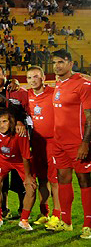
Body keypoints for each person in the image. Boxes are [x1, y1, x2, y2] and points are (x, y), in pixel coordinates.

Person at [46, 49, 91, 238]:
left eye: (61, 62)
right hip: (59, 143)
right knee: (63, 179)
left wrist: (85, 143)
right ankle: (66, 222)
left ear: (71, 63)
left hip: (78, 143)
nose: (57, 66)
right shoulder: (58, 83)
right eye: (54, 62)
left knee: (85, 181)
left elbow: (90, 117)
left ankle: (88, 225)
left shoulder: (84, 84)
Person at [0, 109, 36, 231]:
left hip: (20, 162)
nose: (1, 125)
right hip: (3, 160)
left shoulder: (19, 132)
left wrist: (28, 176)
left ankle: (24, 220)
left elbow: (26, 157)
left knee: (30, 187)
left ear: (11, 122)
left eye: (5, 121)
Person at [25, 66, 60, 227]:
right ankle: (44, 212)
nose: (33, 80)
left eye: (36, 77)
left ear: (44, 78)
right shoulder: (28, 95)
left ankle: (57, 214)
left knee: (55, 180)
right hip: (37, 142)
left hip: (53, 142)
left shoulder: (54, 93)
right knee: (42, 178)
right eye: (30, 77)